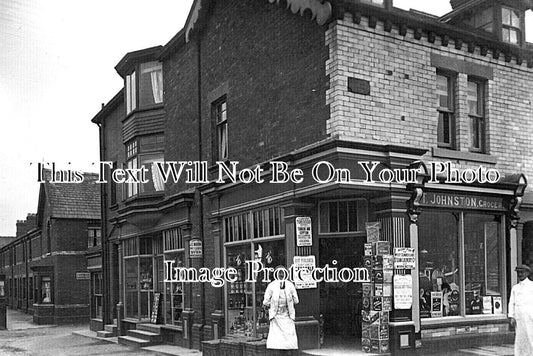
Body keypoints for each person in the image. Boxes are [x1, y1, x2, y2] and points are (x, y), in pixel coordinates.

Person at [263, 266, 299, 355]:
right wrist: (272, 307)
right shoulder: (271, 286)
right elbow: (266, 301)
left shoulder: (290, 285)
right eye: (279, 273)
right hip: (276, 317)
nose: (281, 275)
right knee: (277, 342)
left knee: (288, 341)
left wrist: (290, 301)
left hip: (287, 316)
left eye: (283, 273)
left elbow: (296, 300)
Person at [508, 264, 533, 356]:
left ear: (527, 273)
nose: (520, 274)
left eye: (522, 272)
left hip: (529, 315)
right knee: (520, 337)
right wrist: (511, 316)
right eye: (518, 272)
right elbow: (511, 302)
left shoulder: (531, 286)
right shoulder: (515, 288)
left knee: (530, 336)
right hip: (519, 316)